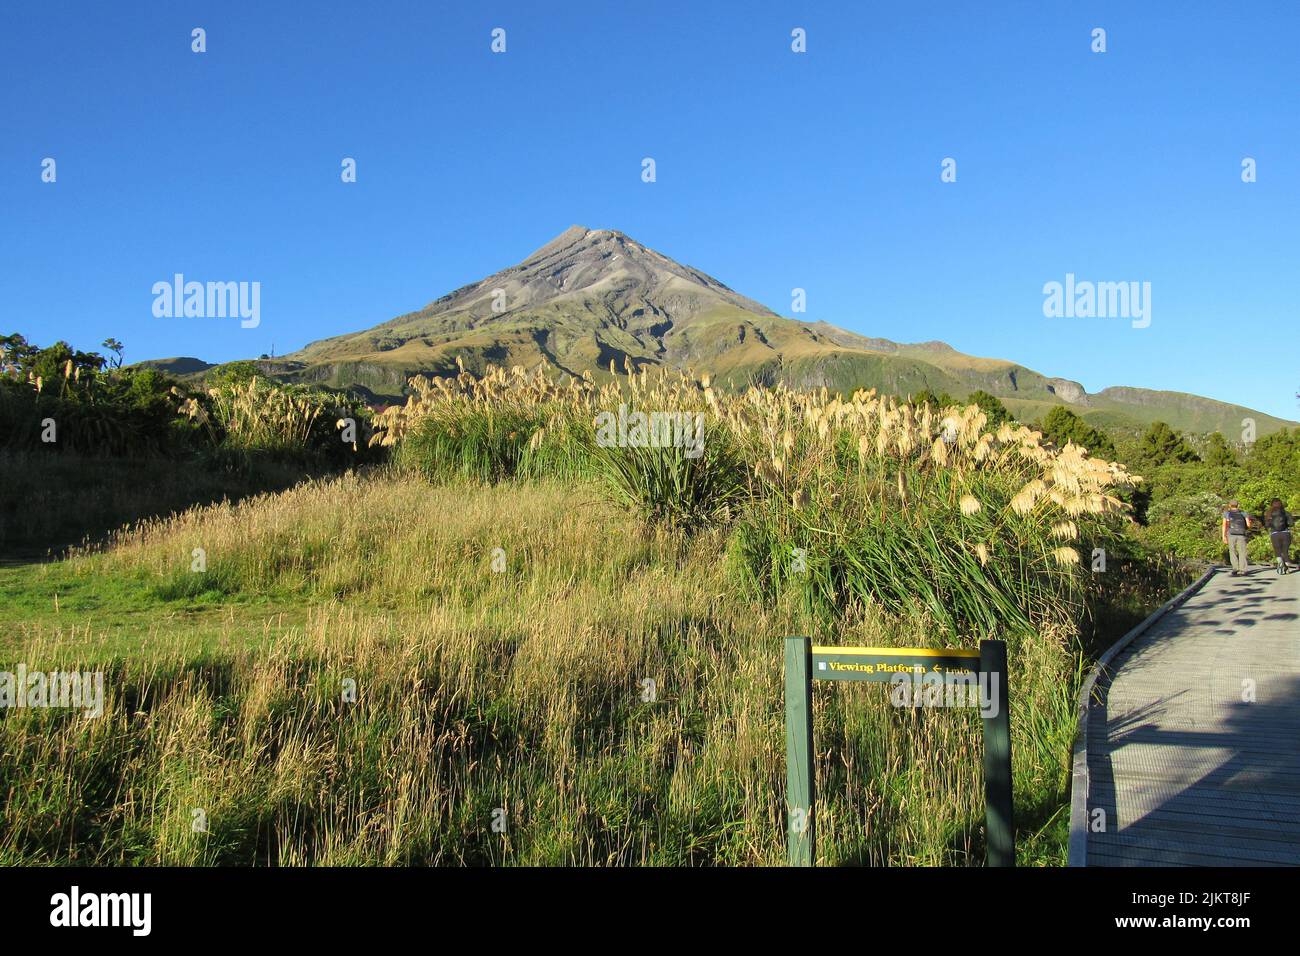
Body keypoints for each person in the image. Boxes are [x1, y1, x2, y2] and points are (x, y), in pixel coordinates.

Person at [1222, 499, 1253, 576]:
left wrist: (1224, 536)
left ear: (1229, 505)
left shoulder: (1227, 514)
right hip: (1241, 534)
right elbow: (1248, 524)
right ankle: (1243, 569)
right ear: (1238, 505)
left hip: (1231, 534)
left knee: (1232, 551)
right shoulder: (1243, 513)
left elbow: (1224, 525)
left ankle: (1235, 568)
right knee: (1242, 551)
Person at [1264, 498, 1294, 575]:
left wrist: (1270, 524)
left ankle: (1280, 562)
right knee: (1285, 551)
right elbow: (1291, 524)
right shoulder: (1286, 513)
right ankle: (1287, 564)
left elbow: (1267, 525)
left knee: (1277, 550)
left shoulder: (1269, 514)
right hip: (1285, 533)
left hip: (1275, 534)